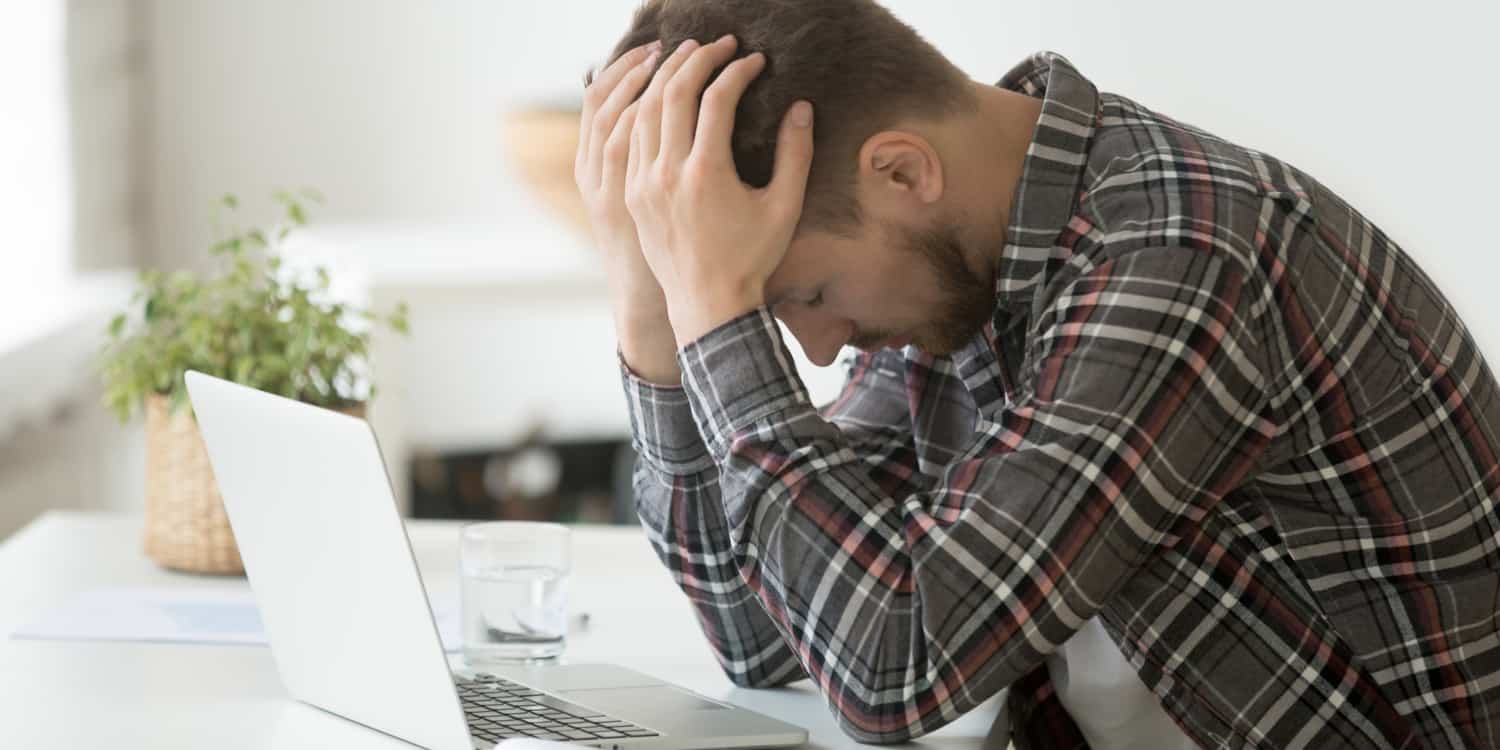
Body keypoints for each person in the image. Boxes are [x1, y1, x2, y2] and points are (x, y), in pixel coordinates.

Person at [573, 1, 1500, 747]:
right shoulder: (961, 279)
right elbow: (770, 637)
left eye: (805, 293)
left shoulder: (1182, 254)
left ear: (901, 173)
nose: (820, 349)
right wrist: (650, 309)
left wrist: (719, 313)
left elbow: (894, 670)